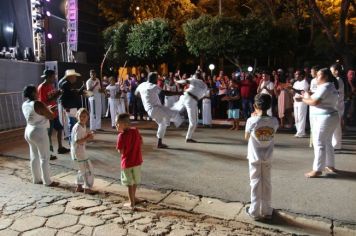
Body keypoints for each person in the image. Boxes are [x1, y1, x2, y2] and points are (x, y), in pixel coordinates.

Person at [297, 68, 339, 178]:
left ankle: (317, 169)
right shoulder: (330, 86)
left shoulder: (325, 87)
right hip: (330, 116)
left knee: (319, 142)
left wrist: (303, 99)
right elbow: (317, 98)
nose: (316, 77)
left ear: (325, 76)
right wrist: (307, 96)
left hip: (324, 118)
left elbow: (314, 102)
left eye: (318, 75)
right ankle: (330, 165)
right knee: (327, 141)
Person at [245, 93, 279, 221]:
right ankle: (267, 210)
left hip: (254, 157)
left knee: (255, 182)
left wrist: (253, 117)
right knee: (267, 182)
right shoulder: (275, 121)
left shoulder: (251, 120)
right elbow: (272, 133)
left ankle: (254, 210)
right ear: (269, 106)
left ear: (255, 106)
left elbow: (246, 137)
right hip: (268, 156)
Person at [22, 85, 60, 187]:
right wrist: (52, 110)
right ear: (34, 93)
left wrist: (48, 109)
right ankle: (47, 181)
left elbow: (38, 113)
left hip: (29, 130)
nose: (38, 93)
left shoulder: (25, 104)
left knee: (34, 156)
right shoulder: (37, 103)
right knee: (44, 157)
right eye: (36, 91)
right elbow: (51, 116)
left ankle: (36, 179)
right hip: (39, 132)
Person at [135, 72, 183, 148]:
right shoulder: (153, 86)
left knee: (162, 124)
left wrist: (145, 99)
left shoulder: (142, 85)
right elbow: (165, 93)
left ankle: (159, 143)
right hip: (155, 109)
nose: (157, 79)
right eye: (156, 78)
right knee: (172, 113)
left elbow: (136, 93)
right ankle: (179, 123)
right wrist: (178, 93)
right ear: (154, 79)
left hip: (151, 110)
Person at [38, 69, 70, 159]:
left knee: (59, 129)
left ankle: (60, 148)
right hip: (47, 114)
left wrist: (58, 94)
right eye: (53, 77)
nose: (54, 78)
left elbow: (53, 97)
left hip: (54, 113)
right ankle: (49, 153)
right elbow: (42, 102)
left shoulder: (51, 86)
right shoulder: (42, 87)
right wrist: (56, 95)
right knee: (48, 134)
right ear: (48, 77)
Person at [116, 113, 143, 209]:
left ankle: (131, 203)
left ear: (124, 124)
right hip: (137, 161)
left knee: (129, 184)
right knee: (135, 181)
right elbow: (141, 142)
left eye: (117, 123)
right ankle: (134, 198)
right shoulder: (135, 131)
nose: (116, 125)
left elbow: (121, 151)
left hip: (127, 163)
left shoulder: (121, 136)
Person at [174, 70, 208, 142]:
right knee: (193, 122)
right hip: (191, 100)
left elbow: (184, 81)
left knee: (193, 122)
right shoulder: (205, 85)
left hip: (187, 97)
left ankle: (171, 117)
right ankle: (188, 137)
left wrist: (177, 81)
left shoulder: (195, 80)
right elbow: (203, 95)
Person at [71, 108, 95, 194]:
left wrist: (87, 136)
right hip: (78, 151)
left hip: (79, 150)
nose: (82, 118)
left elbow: (81, 138)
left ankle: (79, 186)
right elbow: (78, 141)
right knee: (87, 169)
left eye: (84, 116)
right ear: (77, 116)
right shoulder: (78, 127)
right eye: (80, 116)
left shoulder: (82, 125)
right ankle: (87, 188)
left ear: (88, 117)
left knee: (81, 169)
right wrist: (87, 138)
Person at [58, 69, 85, 141]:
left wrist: (81, 89)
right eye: (74, 76)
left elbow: (74, 94)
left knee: (74, 124)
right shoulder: (65, 85)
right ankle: (72, 141)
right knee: (72, 125)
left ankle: (73, 139)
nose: (75, 78)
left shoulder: (70, 84)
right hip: (70, 107)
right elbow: (63, 97)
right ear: (70, 77)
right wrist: (65, 107)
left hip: (73, 106)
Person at [330, 64, 345, 150]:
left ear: (336, 71)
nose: (330, 73)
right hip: (335, 105)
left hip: (337, 106)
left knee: (336, 126)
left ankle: (337, 145)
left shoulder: (338, 80)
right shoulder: (336, 80)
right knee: (334, 126)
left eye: (331, 71)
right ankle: (335, 144)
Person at [292, 70, 310, 137]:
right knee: (296, 117)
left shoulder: (305, 82)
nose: (295, 75)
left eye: (297, 74)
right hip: (295, 101)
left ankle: (301, 132)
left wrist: (293, 89)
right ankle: (298, 131)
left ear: (301, 75)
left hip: (302, 101)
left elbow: (302, 92)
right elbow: (293, 92)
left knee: (301, 116)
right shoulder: (296, 83)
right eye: (295, 74)